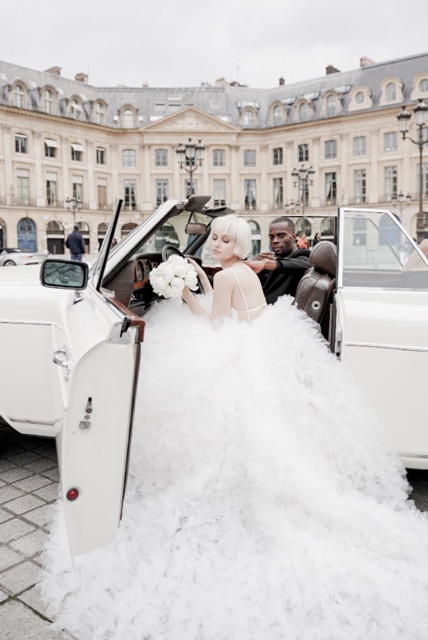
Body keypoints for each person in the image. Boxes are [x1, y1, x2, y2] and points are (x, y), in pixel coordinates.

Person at [41, 215, 428, 640]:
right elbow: (226, 296)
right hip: (261, 340)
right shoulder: (239, 271)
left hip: (236, 345)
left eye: (225, 240)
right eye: (217, 239)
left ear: (239, 245)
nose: (217, 245)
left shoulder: (229, 275)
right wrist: (202, 284)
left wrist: (186, 293)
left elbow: (214, 324)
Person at [246, 216, 310, 304]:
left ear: (293, 238)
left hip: (281, 314)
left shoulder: (301, 257)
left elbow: (307, 265)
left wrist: (267, 264)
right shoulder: (272, 259)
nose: (274, 241)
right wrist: (255, 269)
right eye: (271, 237)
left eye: (281, 236)